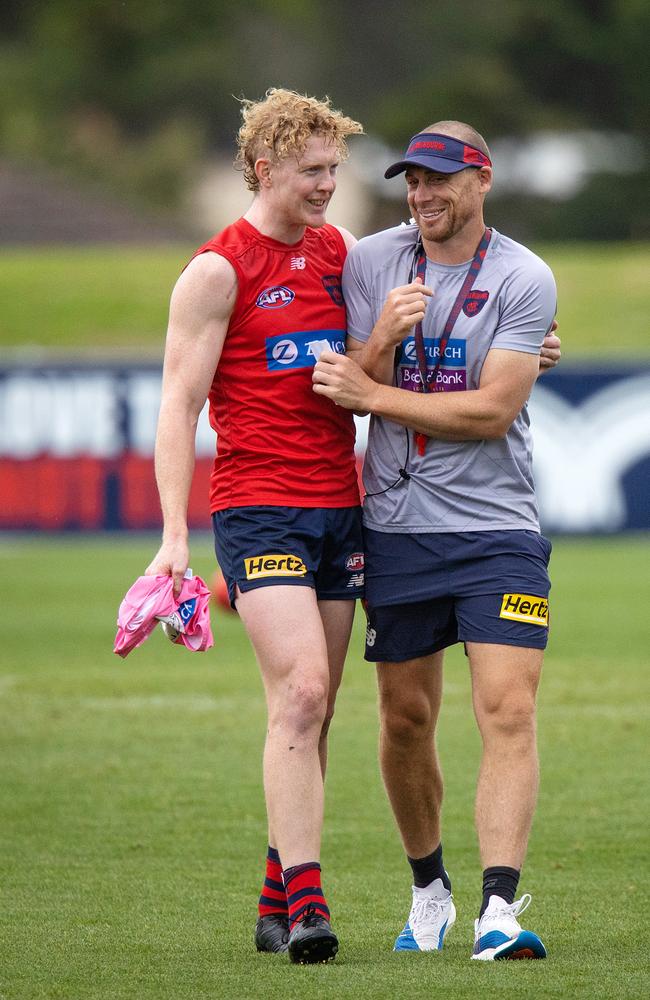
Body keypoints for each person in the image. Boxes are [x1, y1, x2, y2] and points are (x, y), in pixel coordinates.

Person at [312, 120, 556, 961]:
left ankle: (498, 910)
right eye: (412, 181)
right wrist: (378, 346)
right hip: (398, 528)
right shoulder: (370, 261)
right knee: (406, 718)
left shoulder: (525, 277)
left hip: (498, 529)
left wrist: (375, 396)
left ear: (481, 180)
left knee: (508, 710)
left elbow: (492, 414)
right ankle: (429, 892)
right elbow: (342, 377)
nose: (422, 196)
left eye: (440, 181)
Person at [145, 88, 364, 965]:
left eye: (334, 170)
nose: (328, 187)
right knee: (303, 692)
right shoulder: (217, 269)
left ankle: (274, 898)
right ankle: (310, 907)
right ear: (265, 167)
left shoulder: (338, 252)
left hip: (339, 508)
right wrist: (172, 535)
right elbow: (177, 404)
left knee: (316, 711)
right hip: (257, 503)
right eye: (312, 172)